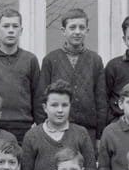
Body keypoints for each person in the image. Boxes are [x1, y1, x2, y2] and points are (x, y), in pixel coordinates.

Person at [21, 80, 97, 170]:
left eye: (64, 105)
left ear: (70, 106)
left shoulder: (81, 133)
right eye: (54, 105)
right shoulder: (32, 136)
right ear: (45, 107)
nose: (60, 110)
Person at [38, 8, 106, 143]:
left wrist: (99, 135)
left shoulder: (95, 60)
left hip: (88, 131)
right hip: (56, 130)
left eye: (82, 27)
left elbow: (101, 100)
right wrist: (44, 130)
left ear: (87, 31)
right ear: (63, 31)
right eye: (72, 27)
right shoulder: (51, 60)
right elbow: (41, 97)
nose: (77, 32)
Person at [0, 9, 42, 144]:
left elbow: (37, 96)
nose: (11, 30)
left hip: (23, 128)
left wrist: (40, 127)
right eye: (6, 26)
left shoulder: (30, 59)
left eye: (15, 26)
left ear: (21, 30)